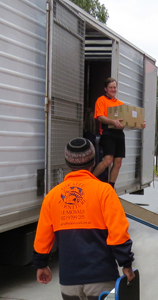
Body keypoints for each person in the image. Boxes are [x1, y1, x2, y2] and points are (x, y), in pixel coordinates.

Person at [33, 137, 135, 300]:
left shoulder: (52, 196)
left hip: (69, 280)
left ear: (68, 162)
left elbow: (42, 237)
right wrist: (126, 264)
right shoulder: (104, 191)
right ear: (93, 162)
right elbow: (118, 233)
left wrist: (41, 265)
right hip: (102, 277)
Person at [92, 78, 145, 188]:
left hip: (119, 134)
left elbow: (127, 121)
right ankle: (90, 178)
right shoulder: (101, 100)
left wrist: (140, 124)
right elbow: (100, 118)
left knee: (118, 162)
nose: (113, 89)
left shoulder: (120, 104)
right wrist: (112, 121)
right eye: (110, 87)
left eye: (114, 87)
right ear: (105, 89)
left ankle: (111, 186)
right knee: (108, 161)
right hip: (107, 133)